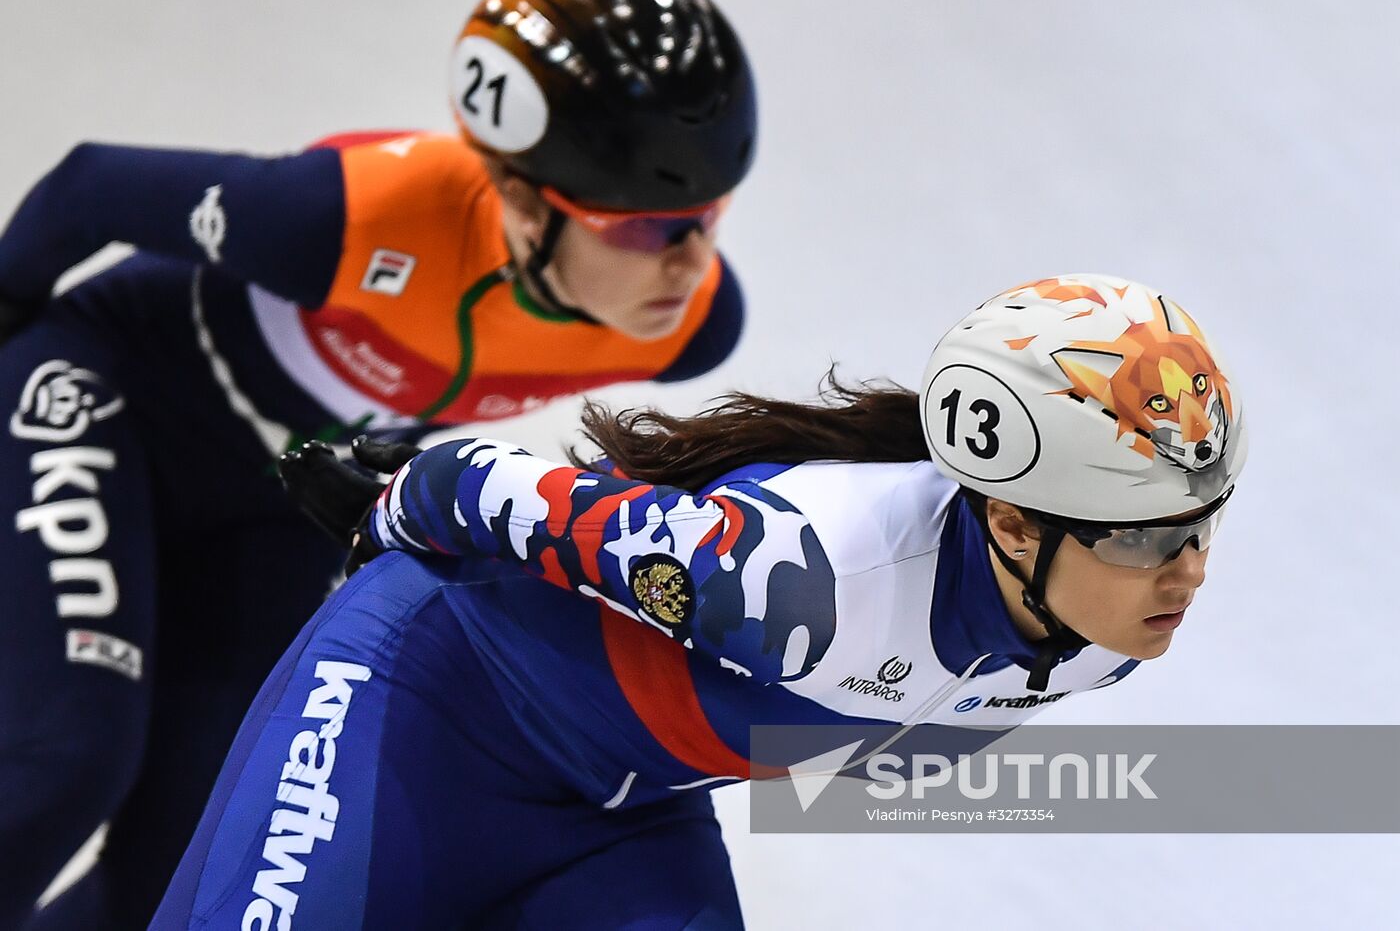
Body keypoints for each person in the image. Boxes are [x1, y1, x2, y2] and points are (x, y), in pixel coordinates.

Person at [154, 274, 1247, 929]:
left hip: (617, 807)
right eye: (1149, 534)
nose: (1186, 571)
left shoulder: (1097, 627)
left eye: (1201, 520)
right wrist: (377, 516)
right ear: (1011, 522)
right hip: (424, 700)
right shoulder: (802, 581)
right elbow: (490, 487)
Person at [0, 0, 756, 925]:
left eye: (709, 218)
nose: (690, 266)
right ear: (523, 203)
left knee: (186, 844)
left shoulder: (691, 326)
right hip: (106, 390)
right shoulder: (348, 216)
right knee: (68, 758)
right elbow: (84, 189)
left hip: (272, 496)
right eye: (648, 230)